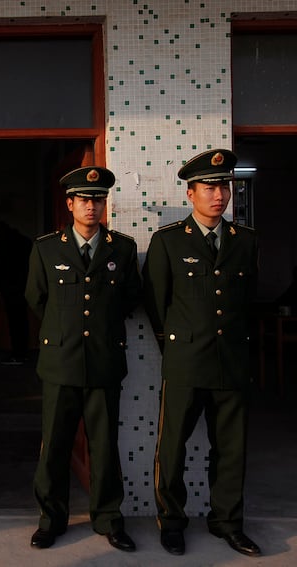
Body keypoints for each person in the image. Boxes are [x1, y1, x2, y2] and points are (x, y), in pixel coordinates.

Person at [142, 148, 260, 557]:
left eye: (224, 186)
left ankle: (227, 522)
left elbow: (248, 301)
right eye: (209, 187)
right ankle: (171, 522)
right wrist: (177, 345)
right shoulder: (169, 241)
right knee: (172, 447)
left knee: (230, 447)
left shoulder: (245, 241)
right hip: (186, 362)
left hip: (231, 362)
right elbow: (157, 301)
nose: (219, 195)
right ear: (190, 193)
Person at [25, 166, 141, 553]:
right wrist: (64, 333)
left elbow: (128, 300)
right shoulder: (46, 248)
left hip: (105, 362)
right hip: (60, 363)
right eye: (85, 200)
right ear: (70, 204)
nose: (92, 207)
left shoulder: (122, 249)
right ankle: (50, 520)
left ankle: (108, 519)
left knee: (105, 446)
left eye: (99, 200)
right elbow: (36, 299)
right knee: (55, 446)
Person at [0, 220, 33, 365]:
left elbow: (1, 268)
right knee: (22, 321)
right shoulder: (25, 242)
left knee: (14, 323)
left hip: (10, 289)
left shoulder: (4, 244)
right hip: (24, 287)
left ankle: (17, 353)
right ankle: (23, 352)